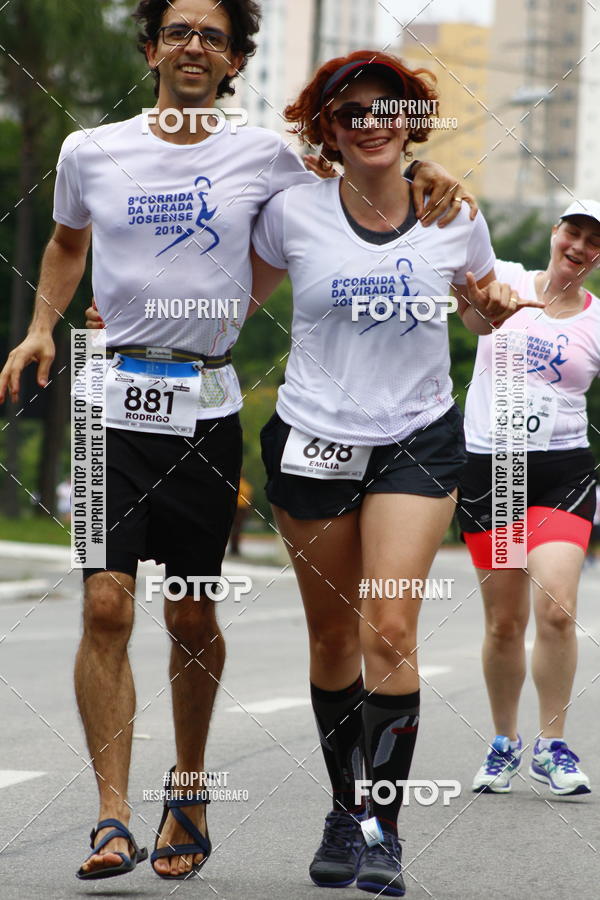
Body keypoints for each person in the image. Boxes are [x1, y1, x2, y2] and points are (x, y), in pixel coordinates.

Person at [0, 1, 474, 883]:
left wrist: (432, 168)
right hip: (110, 398)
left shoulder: (267, 156)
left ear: (234, 63)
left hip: (207, 407)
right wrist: (41, 328)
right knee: (106, 604)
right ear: (150, 49)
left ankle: (191, 786)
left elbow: (363, 171)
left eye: (212, 36)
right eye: (177, 30)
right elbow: (68, 242)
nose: (192, 46)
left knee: (189, 610)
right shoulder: (88, 152)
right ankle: (110, 814)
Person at [250, 50, 542, 896]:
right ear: (328, 131)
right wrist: (127, 318)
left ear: (412, 122)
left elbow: (482, 306)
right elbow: (238, 290)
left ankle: (381, 827)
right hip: (312, 434)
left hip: (417, 435)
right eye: (352, 114)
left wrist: (491, 312)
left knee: (387, 631)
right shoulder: (292, 211)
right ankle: (344, 806)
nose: (371, 124)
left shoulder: (453, 211)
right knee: (334, 637)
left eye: (389, 110)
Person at [457, 199, 600, 796]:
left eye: (595, 242)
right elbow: (470, 317)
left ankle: (553, 744)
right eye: (575, 232)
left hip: (562, 472)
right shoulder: (507, 278)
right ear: (555, 232)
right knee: (504, 623)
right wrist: (489, 307)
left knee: (557, 611)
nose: (581, 247)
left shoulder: (597, 319)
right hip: (495, 466)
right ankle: (503, 741)